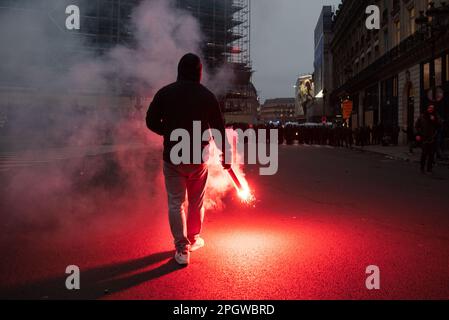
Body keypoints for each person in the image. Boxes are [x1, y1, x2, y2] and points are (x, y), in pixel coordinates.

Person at [146, 53, 230, 266]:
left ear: (179, 70)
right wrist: (225, 156)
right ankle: (193, 238)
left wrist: (168, 131)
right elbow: (218, 130)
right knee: (196, 201)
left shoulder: (165, 93)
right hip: (197, 158)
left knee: (175, 202)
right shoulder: (207, 96)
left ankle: (181, 248)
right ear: (199, 72)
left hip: (172, 156)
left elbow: (150, 121)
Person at [415, 105, 440, 174]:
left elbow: (439, 126)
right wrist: (417, 134)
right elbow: (416, 126)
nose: (430, 109)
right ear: (427, 108)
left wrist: (434, 120)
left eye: (432, 108)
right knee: (424, 153)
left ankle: (429, 168)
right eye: (429, 108)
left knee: (431, 154)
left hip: (432, 138)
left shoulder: (436, 116)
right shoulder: (422, 116)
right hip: (424, 138)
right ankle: (422, 168)